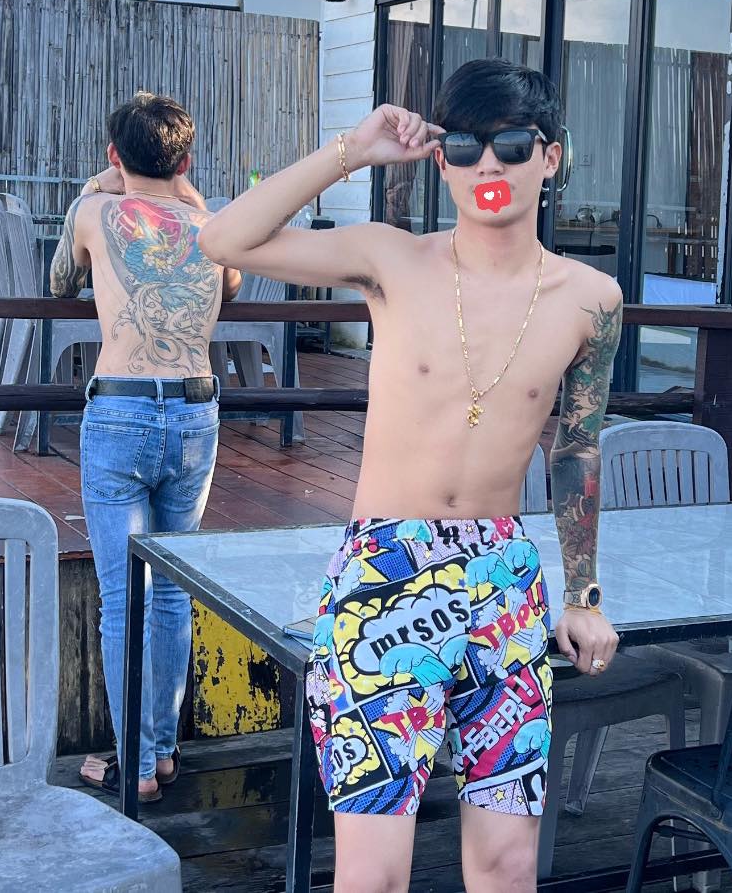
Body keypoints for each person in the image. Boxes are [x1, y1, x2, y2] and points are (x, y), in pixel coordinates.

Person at [199, 58, 621, 892]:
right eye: (464, 146)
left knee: (507, 864)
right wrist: (351, 151)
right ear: (441, 162)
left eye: (510, 144)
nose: (487, 164)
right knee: (372, 873)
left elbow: (577, 447)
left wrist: (585, 593)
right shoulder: (391, 259)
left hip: (504, 580)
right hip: (384, 578)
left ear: (550, 157)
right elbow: (223, 239)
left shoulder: (591, 298)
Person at [48, 91, 240, 805]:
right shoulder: (212, 225)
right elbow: (232, 285)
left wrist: (97, 184)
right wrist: (191, 196)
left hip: (122, 407)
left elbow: (59, 282)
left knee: (122, 598)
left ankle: (132, 764)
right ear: (186, 161)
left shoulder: (94, 212)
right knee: (173, 594)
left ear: (113, 154)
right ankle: (160, 754)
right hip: (194, 410)